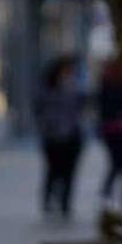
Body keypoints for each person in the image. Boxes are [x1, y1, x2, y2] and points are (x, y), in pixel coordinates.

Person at [35, 56, 84, 219]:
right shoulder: (46, 88)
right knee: (53, 170)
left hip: (72, 136)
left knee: (70, 172)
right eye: (65, 71)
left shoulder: (74, 86)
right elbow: (40, 109)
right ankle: (48, 199)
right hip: (53, 136)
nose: (68, 74)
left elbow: (79, 107)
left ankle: (65, 203)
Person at [99, 58, 122, 210]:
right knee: (121, 165)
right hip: (118, 130)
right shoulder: (111, 86)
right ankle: (121, 196)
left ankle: (119, 196)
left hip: (118, 130)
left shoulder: (110, 85)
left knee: (121, 165)